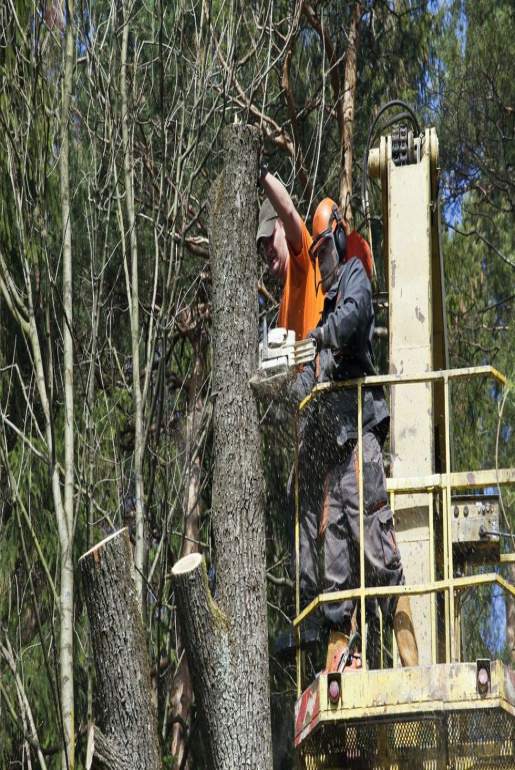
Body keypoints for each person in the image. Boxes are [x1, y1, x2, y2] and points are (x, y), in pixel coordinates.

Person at [291, 197, 419, 669]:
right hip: (334, 452)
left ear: (340, 241)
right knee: (336, 567)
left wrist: (320, 337)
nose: (322, 261)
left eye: (325, 249)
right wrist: (284, 378)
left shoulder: (353, 280)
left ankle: (410, 663)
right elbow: (310, 380)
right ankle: (340, 664)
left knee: (378, 548)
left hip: (359, 433)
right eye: (318, 254)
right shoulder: (323, 317)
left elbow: (354, 317)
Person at [256, 164, 323, 341]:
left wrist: (261, 174)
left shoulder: (302, 260)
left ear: (284, 228)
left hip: (322, 358)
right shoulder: (282, 313)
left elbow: (288, 211)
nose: (268, 249)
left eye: (271, 237)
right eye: (264, 244)